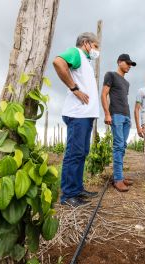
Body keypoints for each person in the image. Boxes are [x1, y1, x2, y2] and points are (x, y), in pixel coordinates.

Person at [53, 32, 100, 207]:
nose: (97, 50)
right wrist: (75, 88)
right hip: (77, 113)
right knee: (74, 153)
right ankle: (68, 195)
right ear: (86, 43)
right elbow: (58, 62)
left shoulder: (85, 61)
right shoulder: (76, 52)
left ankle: (77, 188)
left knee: (81, 153)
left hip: (85, 115)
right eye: (95, 46)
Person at [101, 54, 136, 192]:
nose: (129, 66)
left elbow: (123, 99)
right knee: (118, 146)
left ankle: (119, 176)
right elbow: (104, 94)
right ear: (119, 62)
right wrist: (107, 113)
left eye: (130, 64)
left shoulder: (127, 83)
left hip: (126, 117)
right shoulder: (110, 75)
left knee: (123, 146)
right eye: (127, 63)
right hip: (116, 115)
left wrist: (129, 117)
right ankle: (118, 180)